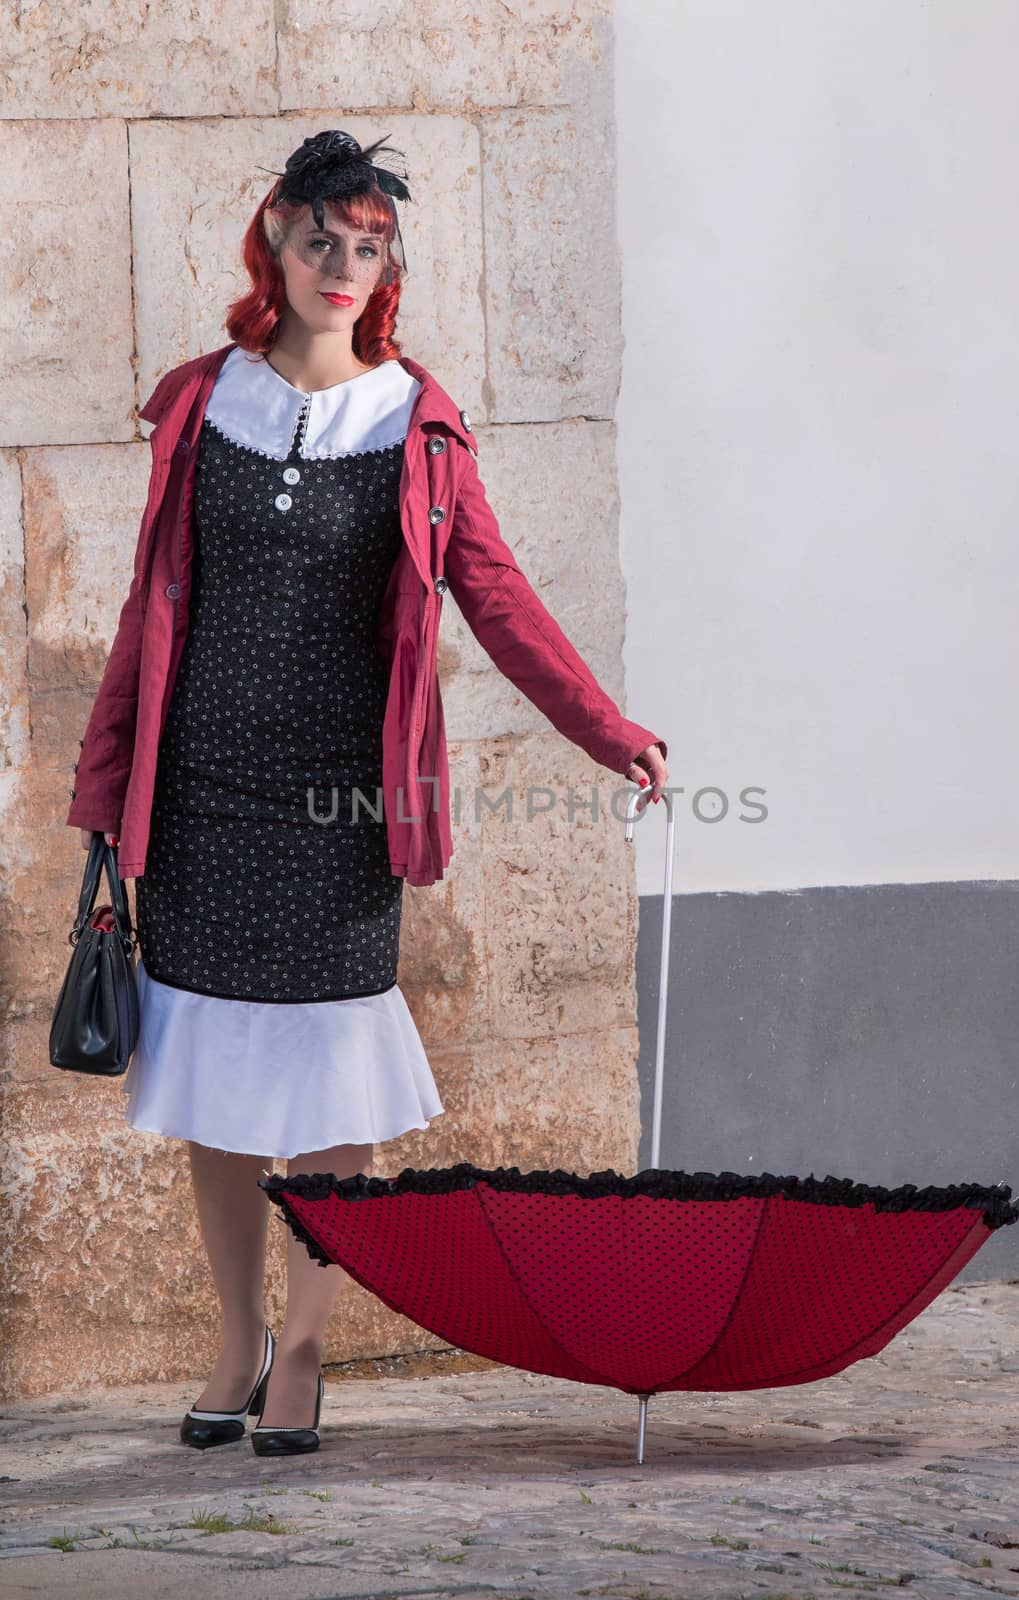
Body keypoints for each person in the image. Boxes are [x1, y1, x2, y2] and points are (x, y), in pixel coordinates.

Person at [70, 130, 669, 1457]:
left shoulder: (418, 424)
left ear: (389, 262)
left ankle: (302, 1349)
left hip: (342, 809)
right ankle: (233, 1338)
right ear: (272, 246)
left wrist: (606, 731)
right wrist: (107, 788)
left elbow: (498, 597)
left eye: (370, 244)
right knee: (212, 1082)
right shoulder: (198, 404)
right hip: (203, 798)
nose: (344, 266)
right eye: (319, 241)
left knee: (332, 1092)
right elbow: (143, 619)